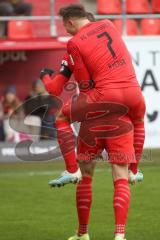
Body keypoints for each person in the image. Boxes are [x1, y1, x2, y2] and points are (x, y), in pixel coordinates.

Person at [56, 4, 145, 240]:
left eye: (65, 26)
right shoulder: (108, 25)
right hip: (129, 100)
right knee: (121, 173)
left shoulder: (74, 44)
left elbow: (85, 85)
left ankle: (82, 230)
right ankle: (120, 235)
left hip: (99, 107)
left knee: (84, 172)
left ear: (70, 22)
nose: (65, 31)